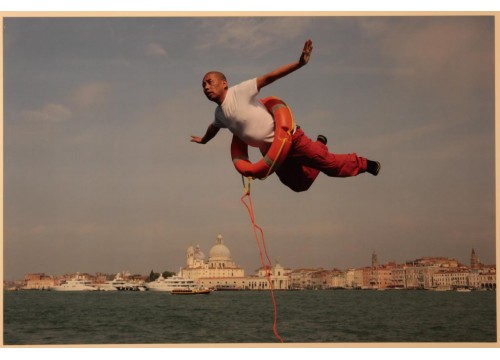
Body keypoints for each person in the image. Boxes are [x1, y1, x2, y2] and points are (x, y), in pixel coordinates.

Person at [191, 39, 381, 192]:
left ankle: (364, 164)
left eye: (210, 82)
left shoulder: (240, 91)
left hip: (291, 138)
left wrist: (299, 63)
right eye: (203, 85)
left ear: (224, 83)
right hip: (274, 154)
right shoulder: (219, 114)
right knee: (300, 185)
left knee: (329, 165)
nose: (206, 87)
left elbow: (270, 77)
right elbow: (213, 127)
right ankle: (320, 145)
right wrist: (204, 140)